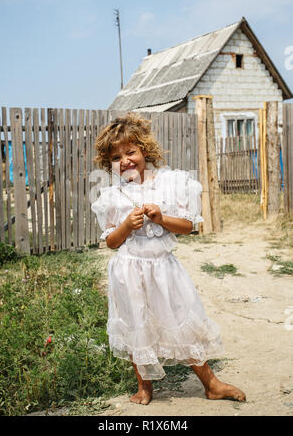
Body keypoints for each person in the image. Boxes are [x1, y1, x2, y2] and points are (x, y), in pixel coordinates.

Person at [91, 114, 246, 405]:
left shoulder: (171, 183)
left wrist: (161, 219)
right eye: (116, 157)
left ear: (144, 151)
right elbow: (111, 242)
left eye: (130, 152)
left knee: (179, 318)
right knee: (138, 324)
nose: (124, 161)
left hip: (163, 268)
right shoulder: (111, 195)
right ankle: (145, 387)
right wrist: (126, 225)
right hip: (128, 270)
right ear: (108, 163)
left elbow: (188, 227)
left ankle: (211, 384)